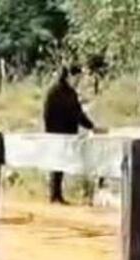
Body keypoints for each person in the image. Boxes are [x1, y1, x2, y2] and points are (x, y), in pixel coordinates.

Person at [43, 67, 95, 204]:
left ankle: (56, 194)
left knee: (60, 163)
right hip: (57, 133)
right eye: (77, 77)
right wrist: (50, 132)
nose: (78, 81)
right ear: (69, 76)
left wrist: (91, 126)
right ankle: (54, 194)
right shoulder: (57, 92)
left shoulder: (69, 93)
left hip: (65, 133)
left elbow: (78, 114)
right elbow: (74, 114)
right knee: (57, 164)